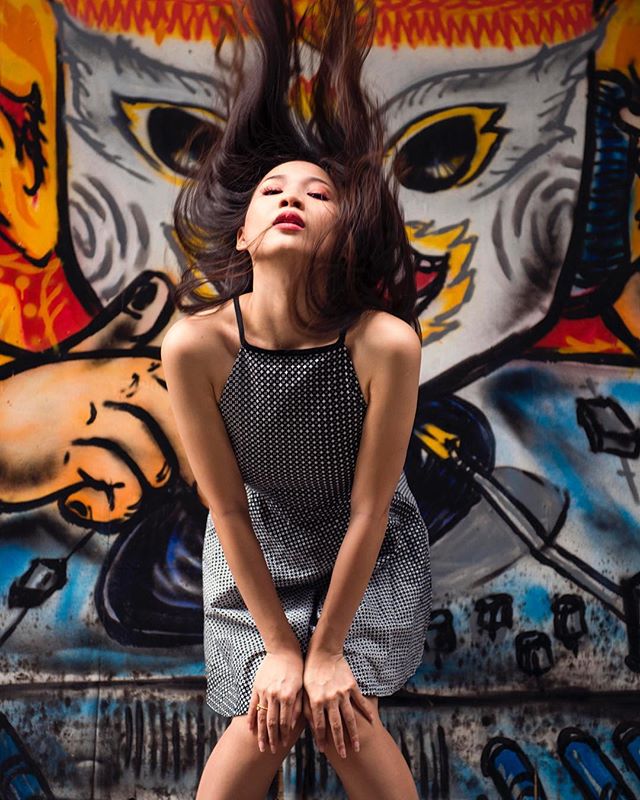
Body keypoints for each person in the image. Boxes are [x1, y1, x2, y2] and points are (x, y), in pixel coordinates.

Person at [161, 1, 432, 797]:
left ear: (345, 234)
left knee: (345, 719)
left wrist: (325, 653)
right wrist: (282, 650)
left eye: (317, 194)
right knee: (264, 721)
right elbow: (230, 510)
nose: (291, 196)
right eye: (273, 189)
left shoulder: (383, 343)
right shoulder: (195, 346)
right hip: (254, 549)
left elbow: (370, 510)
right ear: (242, 235)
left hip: (371, 554)